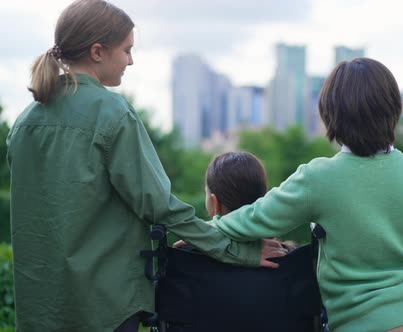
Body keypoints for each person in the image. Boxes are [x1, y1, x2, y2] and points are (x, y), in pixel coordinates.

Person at [7, 1, 285, 331]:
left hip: (38, 306)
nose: (131, 60)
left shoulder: (24, 123)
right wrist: (236, 251)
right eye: (126, 50)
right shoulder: (112, 113)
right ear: (98, 51)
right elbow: (160, 206)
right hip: (106, 305)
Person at [212, 58, 403, 332]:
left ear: (329, 115)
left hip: (357, 323)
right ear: (395, 109)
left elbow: (254, 218)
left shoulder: (319, 178)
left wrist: (204, 232)